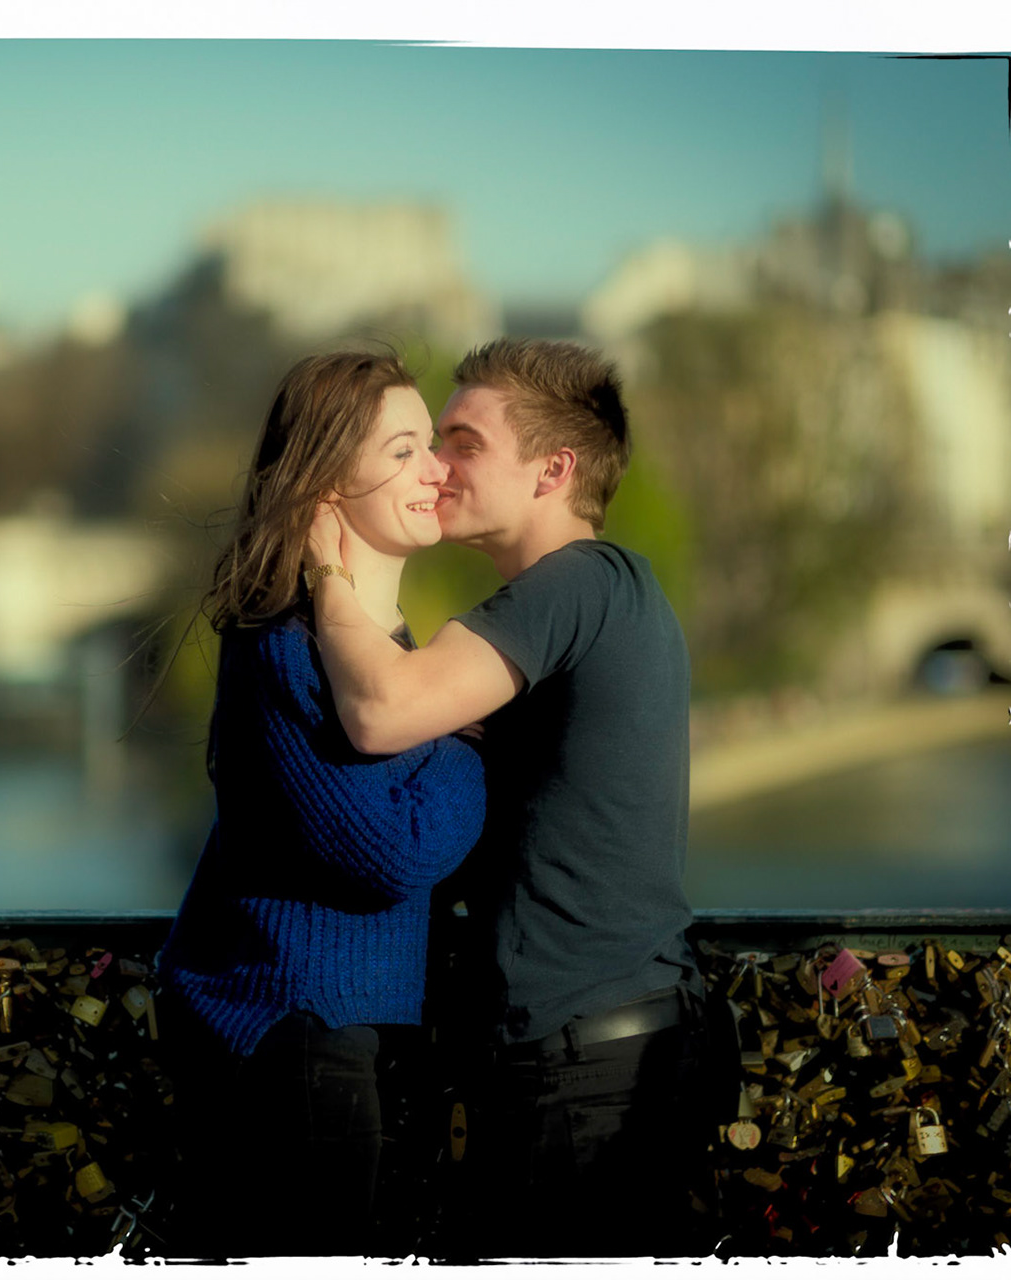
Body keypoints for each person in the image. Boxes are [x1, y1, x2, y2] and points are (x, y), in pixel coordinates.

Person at [303, 337, 710, 1258]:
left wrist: (326, 570)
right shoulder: (613, 594)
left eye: (465, 442)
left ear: (552, 471)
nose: (437, 465)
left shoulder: (575, 582)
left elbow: (380, 711)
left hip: (581, 1061)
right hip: (615, 1041)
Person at [155, 350, 486, 1258]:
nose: (437, 468)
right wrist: (471, 742)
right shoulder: (281, 647)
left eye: (434, 444)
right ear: (327, 484)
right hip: (290, 1028)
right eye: (404, 450)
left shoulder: (392, 660)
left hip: (349, 1032)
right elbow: (392, 851)